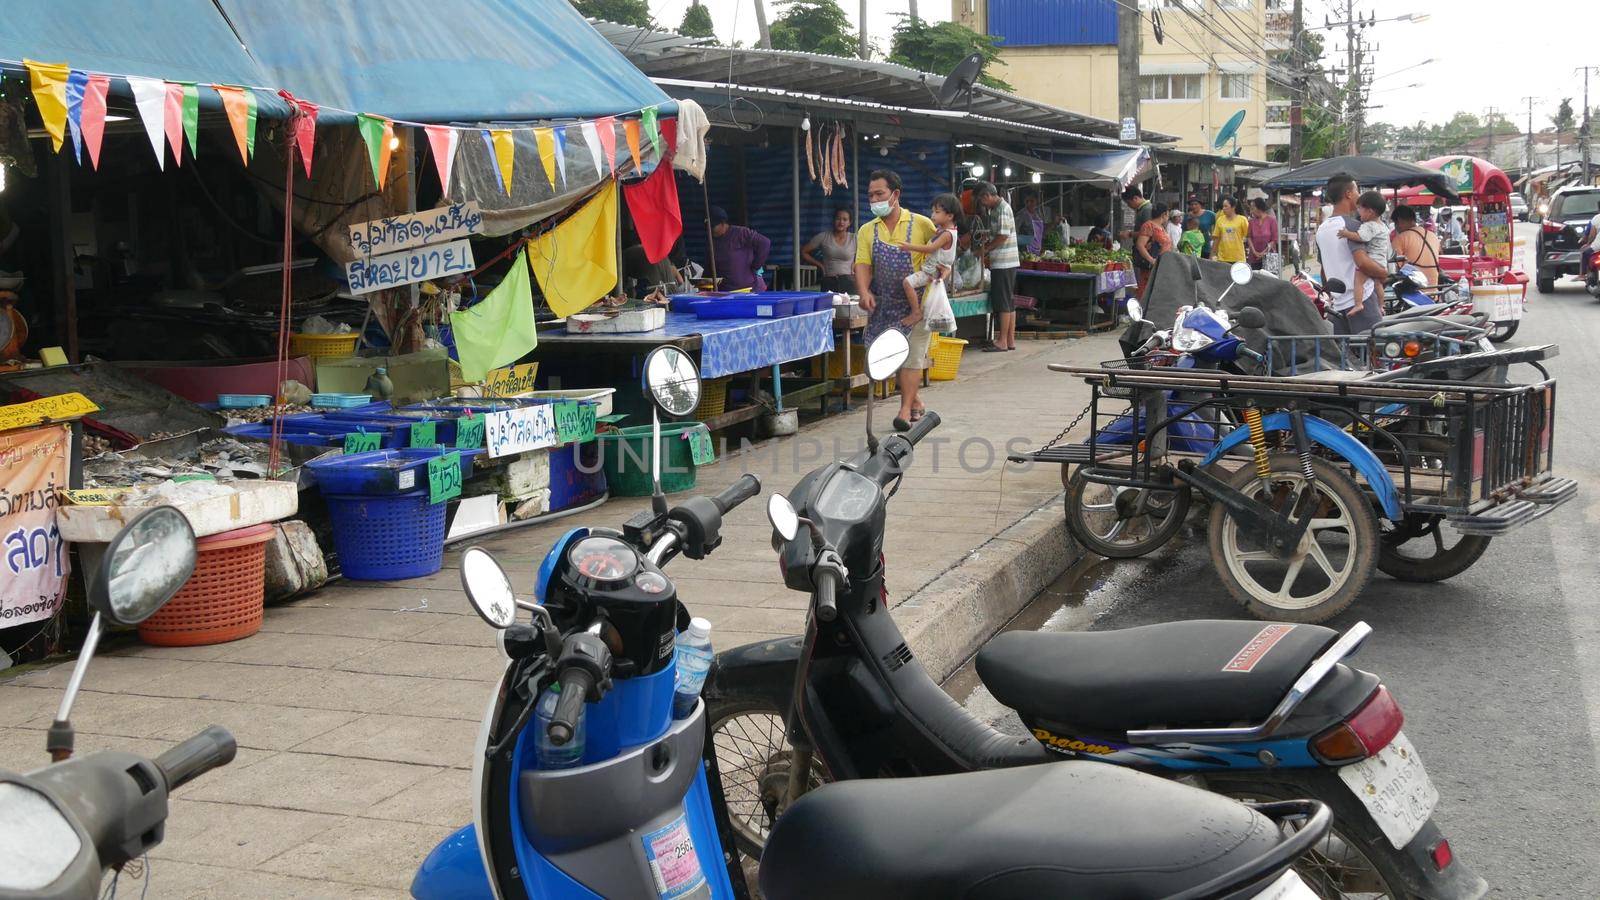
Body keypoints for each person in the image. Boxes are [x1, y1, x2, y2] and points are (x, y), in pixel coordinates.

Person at [855, 169, 937, 430]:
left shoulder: (922, 224)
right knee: (890, 357)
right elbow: (862, 264)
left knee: (912, 357)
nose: (874, 199)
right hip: (885, 304)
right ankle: (915, 401)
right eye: (870, 195)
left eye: (879, 193)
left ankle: (903, 411)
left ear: (895, 194)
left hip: (918, 304)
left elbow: (943, 250)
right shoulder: (868, 230)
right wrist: (864, 291)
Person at [1315, 175, 1386, 334]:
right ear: (1348, 194)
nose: (1359, 195)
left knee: (1346, 356)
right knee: (1371, 353)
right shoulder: (1353, 226)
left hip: (1338, 304)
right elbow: (1362, 262)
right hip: (1362, 301)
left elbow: (1324, 270)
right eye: (1357, 190)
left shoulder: (1322, 229)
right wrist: (1383, 273)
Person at [892, 193, 961, 328]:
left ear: (950, 216)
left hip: (932, 272)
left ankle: (916, 312)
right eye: (932, 211)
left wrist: (908, 247)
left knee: (907, 283)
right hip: (936, 270)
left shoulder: (947, 234)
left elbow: (930, 249)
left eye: (937, 212)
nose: (932, 215)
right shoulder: (944, 231)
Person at [1338, 191, 1392, 319]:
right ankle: (1381, 305)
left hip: (1371, 260)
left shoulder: (1369, 226)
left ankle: (1358, 304)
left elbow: (1361, 237)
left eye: (1360, 209)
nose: (1358, 212)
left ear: (1370, 211)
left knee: (1358, 282)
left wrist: (1346, 233)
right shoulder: (1382, 225)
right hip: (1381, 261)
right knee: (1377, 284)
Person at [709, 206, 770, 292]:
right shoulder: (711, 241)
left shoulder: (740, 233)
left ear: (723, 223)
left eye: (712, 226)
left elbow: (765, 243)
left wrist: (756, 265)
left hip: (749, 290)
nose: (710, 230)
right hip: (725, 293)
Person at [802, 207, 857, 293]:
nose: (841, 222)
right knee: (828, 306)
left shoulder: (854, 238)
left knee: (849, 306)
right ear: (833, 220)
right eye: (838, 218)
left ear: (849, 223)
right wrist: (820, 265)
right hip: (829, 281)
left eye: (845, 219)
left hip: (849, 282)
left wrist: (855, 265)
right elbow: (804, 251)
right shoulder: (823, 237)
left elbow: (867, 255)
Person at [1389, 205, 1442, 286]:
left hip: (1412, 292)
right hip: (1434, 289)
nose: (1396, 228)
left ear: (1399, 221)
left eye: (1395, 224)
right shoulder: (1433, 236)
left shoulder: (1400, 238)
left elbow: (1393, 267)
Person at [1133, 201, 1172, 299]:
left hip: (1162, 265)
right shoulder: (1149, 225)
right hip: (1152, 266)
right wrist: (1152, 260)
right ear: (1164, 214)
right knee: (1147, 290)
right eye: (1168, 214)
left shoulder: (1162, 227)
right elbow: (1140, 245)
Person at [1210, 196, 1249, 264]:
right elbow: (1216, 238)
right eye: (1223, 206)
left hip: (1238, 258)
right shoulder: (1220, 220)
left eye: (1226, 206)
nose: (1223, 209)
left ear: (1233, 207)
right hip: (1222, 258)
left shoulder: (1242, 220)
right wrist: (1212, 254)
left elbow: (1248, 236)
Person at [1246, 198, 1281, 272]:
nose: (1251, 211)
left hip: (1269, 258)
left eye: (1253, 208)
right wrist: (1254, 251)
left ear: (1259, 208)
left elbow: (1274, 239)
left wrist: (1264, 253)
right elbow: (1249, 237)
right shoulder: (1251, 222)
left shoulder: (1272, 220)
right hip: (1254, 257)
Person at [1017, 191, 1047, 256]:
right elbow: (1014, 231)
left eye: (1032, 201)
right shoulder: (1022, 214)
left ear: (1037, 201)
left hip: (1038, 249)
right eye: (1027, 201)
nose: (1029, 203)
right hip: (1025, 251)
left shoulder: (1039, 214)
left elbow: (1043, 231)